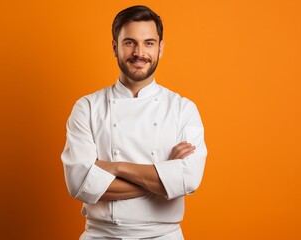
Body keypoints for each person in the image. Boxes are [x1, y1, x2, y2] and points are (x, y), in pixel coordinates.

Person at [61, 5, 207, 240]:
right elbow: (79, 184)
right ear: (114, 47)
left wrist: (116, 167)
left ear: (160, 48)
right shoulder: (87, 107)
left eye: (149, 43)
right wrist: (163, 178)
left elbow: (188, 179)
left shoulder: (183, 109)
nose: (139, 52)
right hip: (102, 235)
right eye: (129, 42)